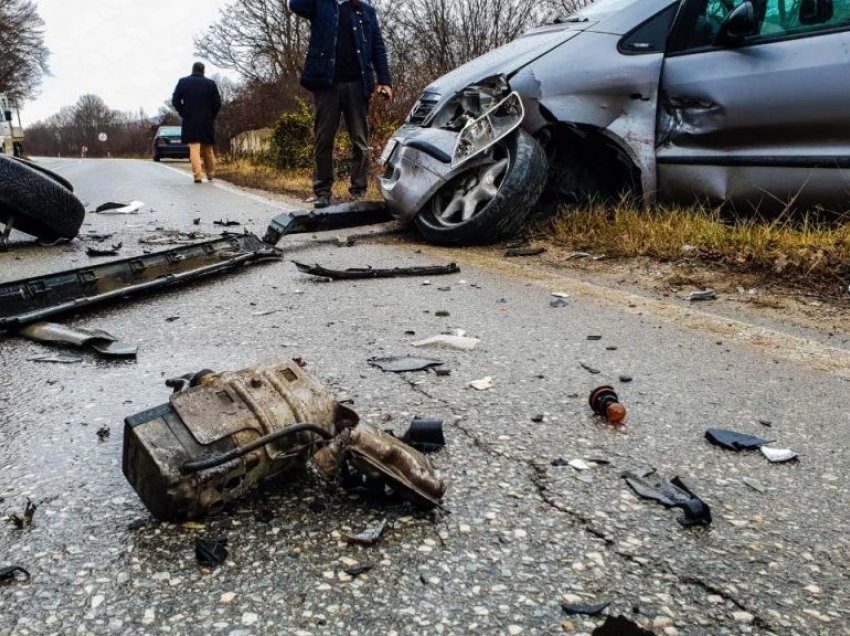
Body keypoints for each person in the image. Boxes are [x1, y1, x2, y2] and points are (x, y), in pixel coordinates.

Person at [290, 0, 393, 208]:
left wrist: (384, 80)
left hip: (357, 85)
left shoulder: (365, 11)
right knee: (324, 139)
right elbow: (296, 4)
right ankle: (322, 191)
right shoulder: (320, 5)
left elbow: (377, 47)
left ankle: (358, 190)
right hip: (327, 85)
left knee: (360, 141)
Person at [172, 62, 222, 183]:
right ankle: (210, 174)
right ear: (203, 71)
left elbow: (175, 101)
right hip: (206, 120)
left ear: (192, 69)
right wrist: (212, 115)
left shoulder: (183, 82)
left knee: (194, 148)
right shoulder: (210, 84)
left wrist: (183, 112)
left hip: (190, 119)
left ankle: (198, 175)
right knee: (208, 148)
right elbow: (217, 103)